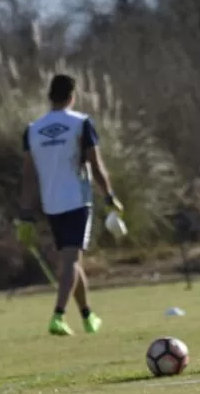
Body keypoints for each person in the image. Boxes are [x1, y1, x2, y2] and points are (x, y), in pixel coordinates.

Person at [16, 74, 123, 336]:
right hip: (77, 200)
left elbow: (29, 176)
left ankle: (88, 316)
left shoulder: (33, 129)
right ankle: (58, 316)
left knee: (71, 260)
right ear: (72, 96)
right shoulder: (81, 123)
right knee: (72, 262)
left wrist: (26, 214)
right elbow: (96, 166)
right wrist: (109, 196)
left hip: (51, 204)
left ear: (50, 96)